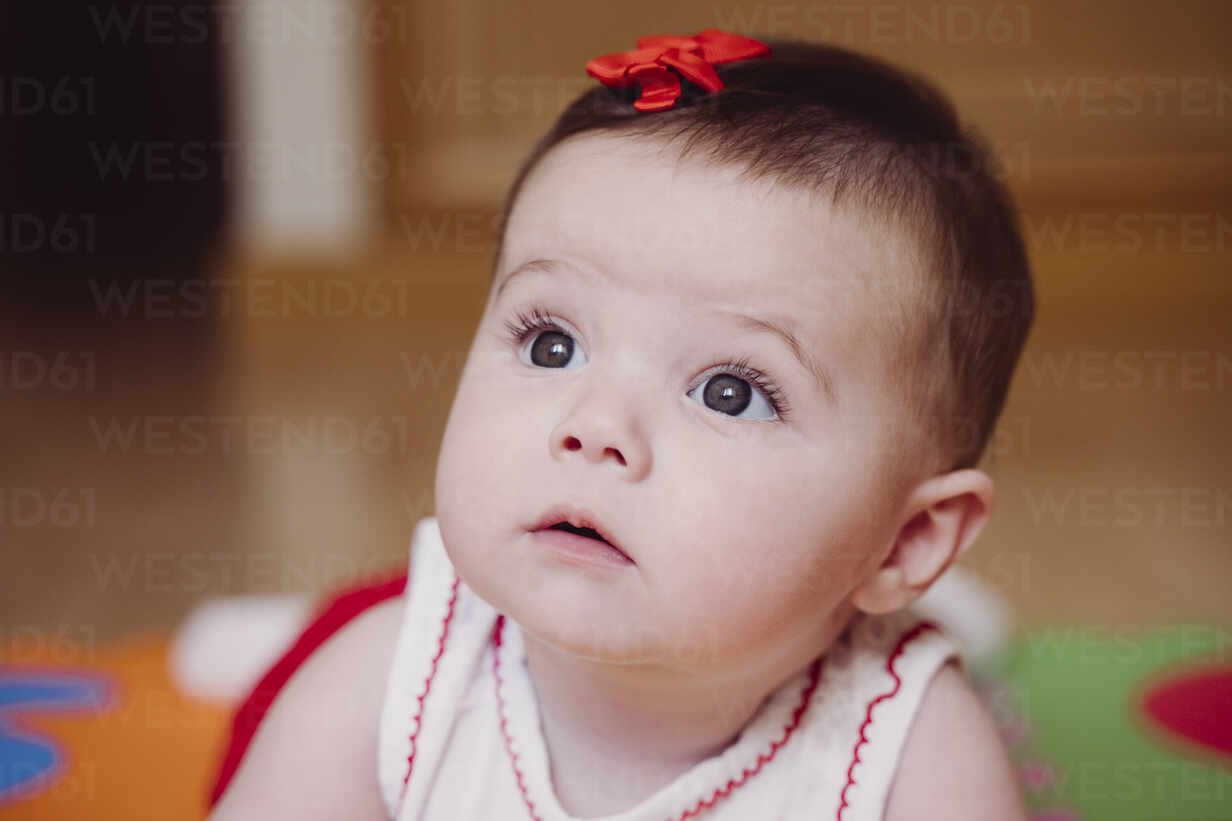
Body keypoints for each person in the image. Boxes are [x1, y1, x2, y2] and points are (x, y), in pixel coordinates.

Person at [209, 30, 1034, 820]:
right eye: (552, 342)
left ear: (905, 540)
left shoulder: (906, 756)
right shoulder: (393, 681)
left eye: (728, 393)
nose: (595, 425)